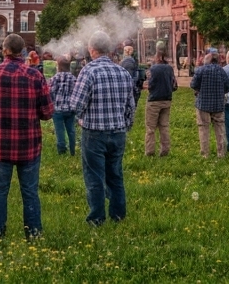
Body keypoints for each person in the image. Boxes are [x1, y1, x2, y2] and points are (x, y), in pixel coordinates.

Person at [0, 34, 53, 240]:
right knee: (30, 192)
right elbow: (47, 113)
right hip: (28, 146)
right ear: (22, 51)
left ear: (5, 50)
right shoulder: (35, 76)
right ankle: (34, 235)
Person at [73, 32, 135, 226]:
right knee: (115, 175)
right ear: (108, 50)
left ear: (92, 50)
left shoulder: (88, 71)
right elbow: (130, 106)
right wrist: (125, 124)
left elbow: (76, 104)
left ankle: (97, 218)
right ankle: (118, 215)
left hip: (94, 132)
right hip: (118, 131)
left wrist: (80, 119)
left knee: (94, 177)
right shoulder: (122, 72)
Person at [190, 52, 229, 158]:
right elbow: (228, 87)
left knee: (203, 128)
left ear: (209, 60)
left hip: (203, 103)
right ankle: (221, 153)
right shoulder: (222, 71)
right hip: (218, 104)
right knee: (220, 128)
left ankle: (205, 154)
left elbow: (193, 84)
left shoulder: (201, 70)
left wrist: (199, 90)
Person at [144, 53, 175, 157]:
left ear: (156, 58)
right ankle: (165, 150)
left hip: (154, 100)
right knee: (164, 126)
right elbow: (174, 85)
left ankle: (150, 151)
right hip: (167, 100)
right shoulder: (170, 69)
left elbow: (149, 84)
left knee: (150, 128)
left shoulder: (152, 69)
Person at [48, 56, 78, 156]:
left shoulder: (54, 78)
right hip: (70, 109)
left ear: (58, 67)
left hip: (57, 109)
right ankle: (73, 150)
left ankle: (62, 151)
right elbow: (76, 93)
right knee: (71, 130)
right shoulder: (73, 79)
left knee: (59, 131)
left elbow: (50, 92)